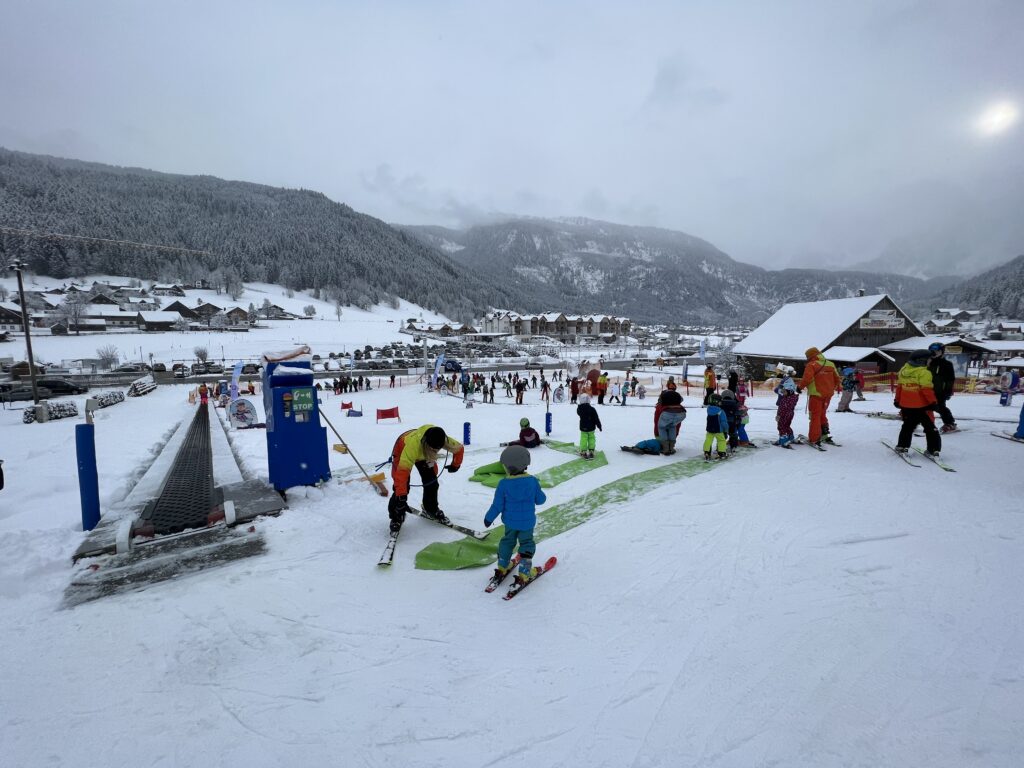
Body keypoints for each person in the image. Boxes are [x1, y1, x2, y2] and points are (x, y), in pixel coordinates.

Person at [484, 445, 547, 587]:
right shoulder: (532, 481)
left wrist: (488, 518)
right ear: (526, 464)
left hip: (510, 523)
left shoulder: (503, 484)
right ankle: (524, 573)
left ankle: (502, 566)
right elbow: (541, 500)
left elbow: (497, 505)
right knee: (527, 544)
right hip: (527, 524)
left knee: (507, 542)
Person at [387, 425, 464, 533]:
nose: (436, 451)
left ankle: (430, 509)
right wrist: (401, 496)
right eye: (434, 449)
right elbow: (401, 475)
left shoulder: (441, 438)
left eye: (437, 449)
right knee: (401, 488)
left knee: (432, 482)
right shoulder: (412, 447)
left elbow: (459, 448)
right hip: (403, 447)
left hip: (423, 451)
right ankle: (396, 516)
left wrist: (455, 465)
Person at [893, 350, 941, 457]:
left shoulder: (903, 370)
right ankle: (933, 449)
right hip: (922, 407)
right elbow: (926, 390)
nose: (930, 362)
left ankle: (902, 446)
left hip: (906, 406)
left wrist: (897, 400)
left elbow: (900, 387)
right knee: (930, 427)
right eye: (929, 360)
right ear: (921, 361)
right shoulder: (924, 372)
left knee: (907, 426)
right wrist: (933, 402)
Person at [798, 347, 841, 447]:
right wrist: (830, 389)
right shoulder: (830, 364)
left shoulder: (811, 365)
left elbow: (807, 379)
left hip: (816, 395)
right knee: (822, 414)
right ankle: (824, 435)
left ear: (810, 356)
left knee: (815, 416)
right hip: (828, 395)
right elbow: (837, 379)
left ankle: (814, 439)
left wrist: (799, 388)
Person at [927, 342, 957, 432]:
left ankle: (950, 423)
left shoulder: (947, 364)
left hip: (939, 391)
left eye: (937, 350)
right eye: (932, 350)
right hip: (926, 390)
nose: (934, 352)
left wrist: (948, 391)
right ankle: (913, 422)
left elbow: (950, 379)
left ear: (942, 352)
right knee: (920, 407)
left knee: (940, 407)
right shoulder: (926, 362)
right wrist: (927, 365)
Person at [654, 387, 686, 454]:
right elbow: (677, 425)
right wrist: (676, 434)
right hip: (681, 413)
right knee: (672, 427)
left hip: (667, 413)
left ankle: (666, 449)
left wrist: (657, 433)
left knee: (661, 428)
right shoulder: (677, 404)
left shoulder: (660, 406)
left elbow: (656, 420)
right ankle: (671, 448)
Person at [773, 365, 799, 447]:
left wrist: (778, 416)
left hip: (783, 415)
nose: (782, 392)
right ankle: (791, 437)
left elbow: (782, 409)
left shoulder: (785, 400)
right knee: (787, 426)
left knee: (781, 426)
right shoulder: (793, 397)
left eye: (784, 391)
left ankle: (783, 439)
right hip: (790, 414)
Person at [703, 393, 729, 460]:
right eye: (720, 402)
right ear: (716, 402)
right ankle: (722, 453)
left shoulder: (709, 410)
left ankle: (707, 452)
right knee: (721, 440)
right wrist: (726, 430)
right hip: (718, 430)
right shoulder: (721, 411)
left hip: (709, 429)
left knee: (708, 440)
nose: (721, 403)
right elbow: (724, 422)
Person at [576, 394, 602, 459]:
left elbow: (578, 413)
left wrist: (580, 406)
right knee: (591, 438)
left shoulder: (580, 409)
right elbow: (596, 418)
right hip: (591, 427)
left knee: (583, 439)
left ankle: (583, 451)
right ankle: (591, 451)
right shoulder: (592, 409)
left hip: (583, 427)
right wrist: (599, 426)